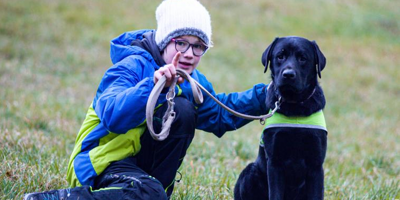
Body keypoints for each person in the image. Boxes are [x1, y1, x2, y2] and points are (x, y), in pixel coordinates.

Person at [24, 0, 268, 199]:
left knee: (183, 110)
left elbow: (219, 115)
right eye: (181, 43)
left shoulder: (193, 81)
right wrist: (153, 85)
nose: (190, 54)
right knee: (150, 192)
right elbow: (112, 116)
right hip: (100, 165)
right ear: (164, 40)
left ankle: (151, 190)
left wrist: (267, 95)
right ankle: (59, 197)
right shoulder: (131, 65)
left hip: (140, 173)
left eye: (199, 46)